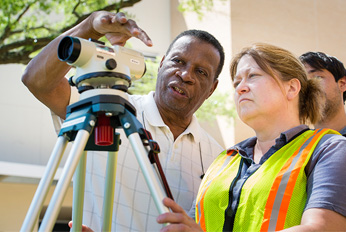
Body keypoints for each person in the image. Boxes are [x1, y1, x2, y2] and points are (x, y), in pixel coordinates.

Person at [21, 11, 225, 231]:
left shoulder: (220, 161)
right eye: (178, 61)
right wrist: (91, 27)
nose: (185, 75)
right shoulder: (101, 107)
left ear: (212, 88)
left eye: (201, 72)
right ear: (162, 63)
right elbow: (37, 81)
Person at [156, 43, 346, 231]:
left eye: (252, 76)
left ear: (292, 88)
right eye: (237, 82)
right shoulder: (224, 160)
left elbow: (323, 228)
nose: (240, 88)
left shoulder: (329, 148)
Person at [299, 52, 346, 136]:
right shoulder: (299, 143)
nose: (310, 86)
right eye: (303, 81)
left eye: (317, 77)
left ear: (342, 84)